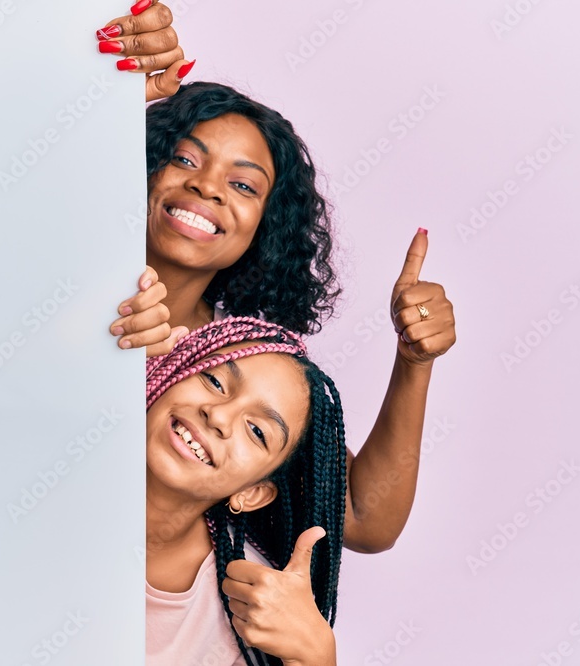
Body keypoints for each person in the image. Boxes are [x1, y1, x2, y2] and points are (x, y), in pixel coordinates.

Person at [113, 81, 458, 554]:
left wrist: (414, 362)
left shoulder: (239, 357)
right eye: (185, 159)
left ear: (266, 228)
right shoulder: (48, 281)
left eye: (243, 186)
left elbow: (364, 518)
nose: (207, 186)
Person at [146, 316, 347, 666]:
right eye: (214, 381)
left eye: (257, 431)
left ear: (252, 493)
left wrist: (317, 657)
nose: (218, 417)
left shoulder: (247, 607)